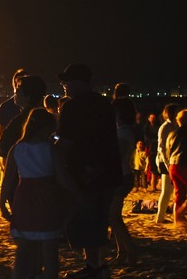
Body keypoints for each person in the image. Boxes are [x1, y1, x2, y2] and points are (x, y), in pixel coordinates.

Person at [55, 64, 122, 279]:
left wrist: (50, 150)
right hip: (108, 170)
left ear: (79, 81)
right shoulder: (105, 104)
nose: (63, 85)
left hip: (84, 173)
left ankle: (94, 267)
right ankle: (95, 264)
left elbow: (66, 141)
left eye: (67, 81)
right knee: (99, 218)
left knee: (84, 218)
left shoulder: (72, 107)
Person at [1, 108, 75, 279]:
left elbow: (7, 179)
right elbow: (63, 178)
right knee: (49, 248)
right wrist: (77, 195)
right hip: (46, 196)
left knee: (24, 247)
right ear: (44, 129)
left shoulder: (16, 149)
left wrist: (2, 203)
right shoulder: (51, 149)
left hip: (24, 196)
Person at [109, 97, 138, 264]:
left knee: (113, 217)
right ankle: (123, 252)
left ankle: (130, 250)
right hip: (123, 175)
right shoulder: (124, 130)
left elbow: (117, 156)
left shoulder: (123, 132)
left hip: (121, 176)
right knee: (114, 217)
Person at [154, 103, 179, 224]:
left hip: (171, 160)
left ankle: (163, 215)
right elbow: (161, 147)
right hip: (165, 161)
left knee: (170, 190)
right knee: (166, 190)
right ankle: (160, 217)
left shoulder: (174, 125)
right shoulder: (165, 127)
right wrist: (167, 164)